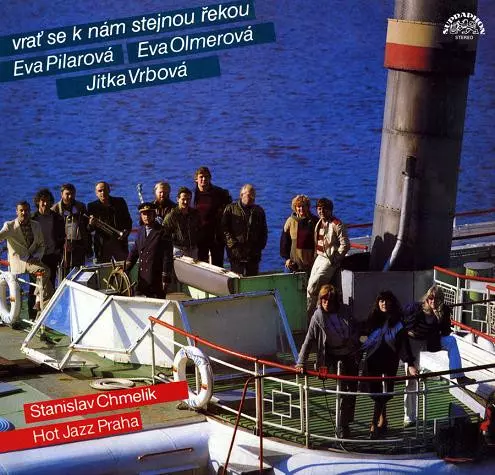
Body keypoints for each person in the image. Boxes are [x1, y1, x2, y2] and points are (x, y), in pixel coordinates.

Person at [402, 284, 476, 427]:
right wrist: (409, 362)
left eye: (436, 299)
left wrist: (441, 316)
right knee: (411, 380)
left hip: (430, 342)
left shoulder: (443, 310)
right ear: (427, 298)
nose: (433, 301)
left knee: (451, 341)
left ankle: (458, 375)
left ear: (441, 300)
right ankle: (409, 417)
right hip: (413, 342)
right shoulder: (417, 309)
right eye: (430, 298)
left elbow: (446, 332)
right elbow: (404, 333)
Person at [296, 284, 360, 438]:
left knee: (352, 390)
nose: (326, 302)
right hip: (331, 357)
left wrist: (353, 339)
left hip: (349, 355)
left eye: (330, 300)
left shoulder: (345, 311)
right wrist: (301, 362)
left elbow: (356, 329)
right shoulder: (318, 316)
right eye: (323, 299)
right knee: (342, 390)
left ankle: (346, 420)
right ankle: (342, 425)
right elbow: (308, 340)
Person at [360, 290, 417, 439]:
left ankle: (374, 424)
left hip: (389, 360)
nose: (384, 303)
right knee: (376, 392)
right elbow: (364, 335)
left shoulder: (397, 321)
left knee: (384, 393)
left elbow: (403, 344)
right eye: (381, 301)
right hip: (373, 360)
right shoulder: (373, 319)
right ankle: (383, 419)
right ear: (378, 303)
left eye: (386, 300)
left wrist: (410, 363)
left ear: (392, 302)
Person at [0, 201, 54, 311]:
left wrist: (37, 256)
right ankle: (38, 300)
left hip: (34, 260)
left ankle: (40, 309)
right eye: (21, 210)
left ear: (29, 211)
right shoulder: (9, 226)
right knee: (46, 271)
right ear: (17, 212)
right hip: (20, 261)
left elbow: (41, 245)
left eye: (26, 210)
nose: (24, 213)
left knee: (48, 285)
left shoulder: (36, 225)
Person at [306, 198, 350, 317]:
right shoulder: (319, 222)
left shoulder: (337, 224)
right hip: (319, 258)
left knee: (313, 287)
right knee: (310, 286)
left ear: (330, 210)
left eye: (324, 209)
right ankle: (311, 314)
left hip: (329, 259)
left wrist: (335, 259)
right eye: (319, 209)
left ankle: (311, 315)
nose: (321, 211)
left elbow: (345, 244)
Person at [125, 203, 173, 298]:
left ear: (154, 215)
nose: (146, 217)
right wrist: (126, 267)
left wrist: (165, 279)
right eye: (144, 214)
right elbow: (135, 251)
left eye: (149, 214)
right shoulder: (140, 231)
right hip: (142, 278)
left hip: (156, 279)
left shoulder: (163, 232)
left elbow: (167, 257)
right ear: (141, 215)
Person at [221, 184, 268, 276]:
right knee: (236, 278)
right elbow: (224, 229)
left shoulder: (259, 211)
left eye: (253, 195)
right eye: (249, 195)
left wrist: (260, 247)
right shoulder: (230, 209)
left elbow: (264, 231)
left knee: (253, 279)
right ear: (241, 195)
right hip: (236, 253)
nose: (252, 197)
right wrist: (233, 245)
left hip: (253, 253)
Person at [193, 166, 232, 267]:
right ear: (196, 179)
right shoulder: (192, 195)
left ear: (210, 178)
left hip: (216, 235)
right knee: (201, 264)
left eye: (206, 177)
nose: (204, 179)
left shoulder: (220, 193)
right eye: (201, 177)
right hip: (199, 236)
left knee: (217, 265)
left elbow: (229, 212)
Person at [52, 183, 91, 275]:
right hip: (63, 247)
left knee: (79, 273)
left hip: (79, 244)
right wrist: (62, 244)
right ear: (62, 194)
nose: (70, 196)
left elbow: (87, 228)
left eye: (72, 194)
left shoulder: (81, 207)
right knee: (63, 273)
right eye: (67, 194)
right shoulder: (55, 210)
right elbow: (53, 232)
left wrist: (91, 224)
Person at [87, 181, 132, 263]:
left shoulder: (120, 202)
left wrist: (126, 231)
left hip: (119, 242)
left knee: (124, 267)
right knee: (103, 269)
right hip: (102, 245)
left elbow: (128, 221)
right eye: (100, 191)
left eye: (105, 190)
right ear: (96, 193)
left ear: (109, 190)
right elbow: (89, 229)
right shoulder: (92, 206)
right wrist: (91, 224)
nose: (103, 192)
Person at [31, 189, 65, 289]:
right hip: (36, 257)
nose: (45, 204)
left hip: (51, 255)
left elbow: (62, 236)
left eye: (48, 201)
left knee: (50, 284)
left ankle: (50, 299)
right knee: (34, 286)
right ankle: (33, 300)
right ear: (38, 202)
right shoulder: (32, 218)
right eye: (43, 201)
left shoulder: (57, 218)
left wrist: (59, 252)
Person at [280, 194, 318, 275]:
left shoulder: (314, 221)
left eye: (304, 206)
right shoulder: (290, 221)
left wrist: (315, 260)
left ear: (308, 207)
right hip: (292, 264)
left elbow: (319, 242)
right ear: (295, 207)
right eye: (299, 206)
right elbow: (284, 243)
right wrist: (287, 259)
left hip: (310, 265)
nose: (301, 209)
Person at [163, 186, 201, 259]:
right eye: (183, 199)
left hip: (193, 250)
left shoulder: (195, 214)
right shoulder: (171, 216)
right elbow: (164, 235)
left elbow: (199, 229)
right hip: (178, 250)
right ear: (178, 199)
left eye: (188, 199)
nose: (186, 202)